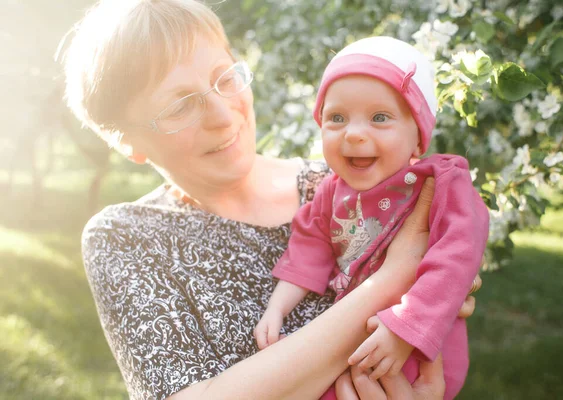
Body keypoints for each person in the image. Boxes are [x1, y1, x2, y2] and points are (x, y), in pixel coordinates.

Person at [61, 1, 480, 399]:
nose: (224, 115)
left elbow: (451, 275)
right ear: (127, 141)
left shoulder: (341, 183)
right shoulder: (127, 237)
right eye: (179, 106)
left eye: (225, 78)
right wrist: (393, 278)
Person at [255, 37, 489, 400]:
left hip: (419, 347)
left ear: (417, 139)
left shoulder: (441, 182)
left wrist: (406, 327)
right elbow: (309, 248)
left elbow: (456, 257)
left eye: (380, 117)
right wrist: (277, 308)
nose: (354, 133)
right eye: (337, 118)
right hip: (355, 337)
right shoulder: (331, 192)